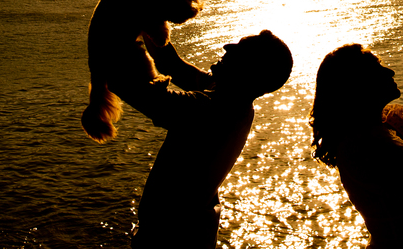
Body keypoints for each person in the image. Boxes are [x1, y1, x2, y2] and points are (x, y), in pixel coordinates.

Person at [121, 30, 293, 249]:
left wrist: (110, 44)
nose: (227, 47)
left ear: (247, 71)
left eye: (238, 48)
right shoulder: (237, 103)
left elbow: (131, 89)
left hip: (171, 239)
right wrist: (149, 24)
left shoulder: (208, 109)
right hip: (196, 232)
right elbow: (171, 64)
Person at [310, 44, 403, 249]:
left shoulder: (390, 120)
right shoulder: (360, 147)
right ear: (358, 85)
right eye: (377, 67)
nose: (390, 71)